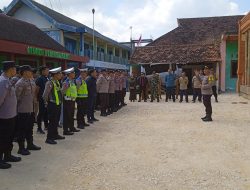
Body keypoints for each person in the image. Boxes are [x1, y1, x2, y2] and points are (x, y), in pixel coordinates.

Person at [16, 65, 41, 156]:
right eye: (30, 71)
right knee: (21, 130)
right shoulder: (20, 83)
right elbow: (17, 98)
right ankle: (21, 148)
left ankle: (30, 144)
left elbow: (33, 95)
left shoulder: (32, 81)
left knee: (29, 128)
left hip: (31, 109)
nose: (32, 73)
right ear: (25, 72)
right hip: (22, 110)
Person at [0, 61, 21, 169]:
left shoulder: (7, 80)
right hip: (4, 117)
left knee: (9, 137)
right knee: (3, 138)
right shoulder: (3, 82)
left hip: (11, 115)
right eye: (15, 69)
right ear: (10, 69)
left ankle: (7, 156)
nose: (16, 71)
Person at [43, 67, 65, 145]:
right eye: (59, 74)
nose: (61, 75)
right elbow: (45, 94)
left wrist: (64, 89)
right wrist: (46, 103)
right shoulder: (50, 83)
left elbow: (59, 93)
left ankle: (55, 135)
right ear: (55, 75)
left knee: (56, 121)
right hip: (52, 105)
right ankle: (49, 138)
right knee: (52, 122)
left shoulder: (57, 82)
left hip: (57, 104)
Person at [36, 66, 49, 134]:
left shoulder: (46, 78)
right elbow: (37, 89)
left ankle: (46, 126)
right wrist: (36, 98)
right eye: (47, 70)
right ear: (43, 71)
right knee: (41, 113)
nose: (48, 72)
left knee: (46, 112)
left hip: (46, 98)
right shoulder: (39, 79)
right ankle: (39, 128)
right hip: (41, 98)